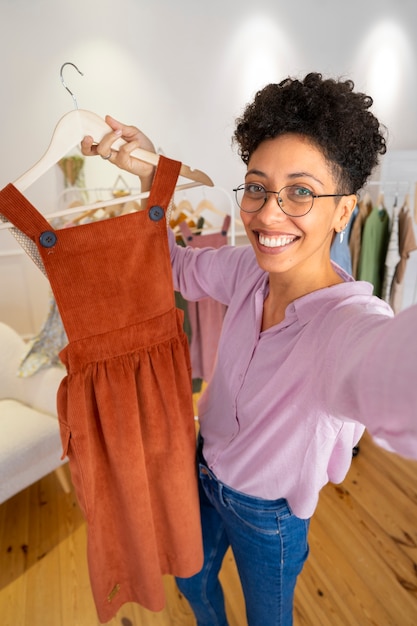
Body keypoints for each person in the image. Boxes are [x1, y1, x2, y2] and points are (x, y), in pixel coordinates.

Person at [81, 72, 417, 626]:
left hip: (269, 514)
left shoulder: (346, 323)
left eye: (302, 192)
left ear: (344, 211)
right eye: (257, 187)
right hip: (204, 469)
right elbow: (175, 264)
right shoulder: (244, 271)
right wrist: (152, 177)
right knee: (190, 577)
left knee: (268, 617)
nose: (267, 214)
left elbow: (386, 366)